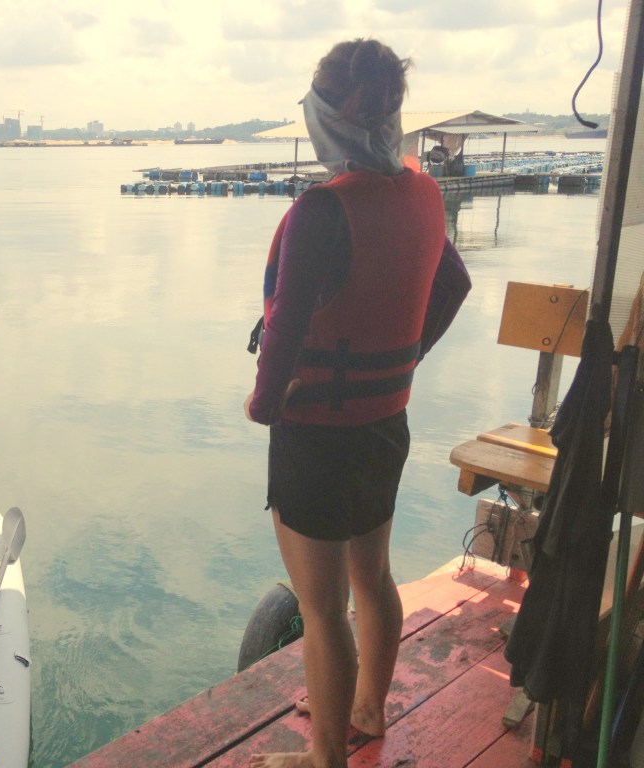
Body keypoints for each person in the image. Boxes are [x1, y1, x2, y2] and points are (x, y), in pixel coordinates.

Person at [244, 38, 471, 768]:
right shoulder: (424, 192)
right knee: (371, 577)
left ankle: (326, 760)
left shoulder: (321, 209)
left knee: (321, 607)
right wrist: (405, 358)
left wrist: (264, 405)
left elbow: (283, 327)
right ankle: (368, 709)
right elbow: (454, 284)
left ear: (323, 118)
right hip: (385, 423)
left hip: (316, 432)